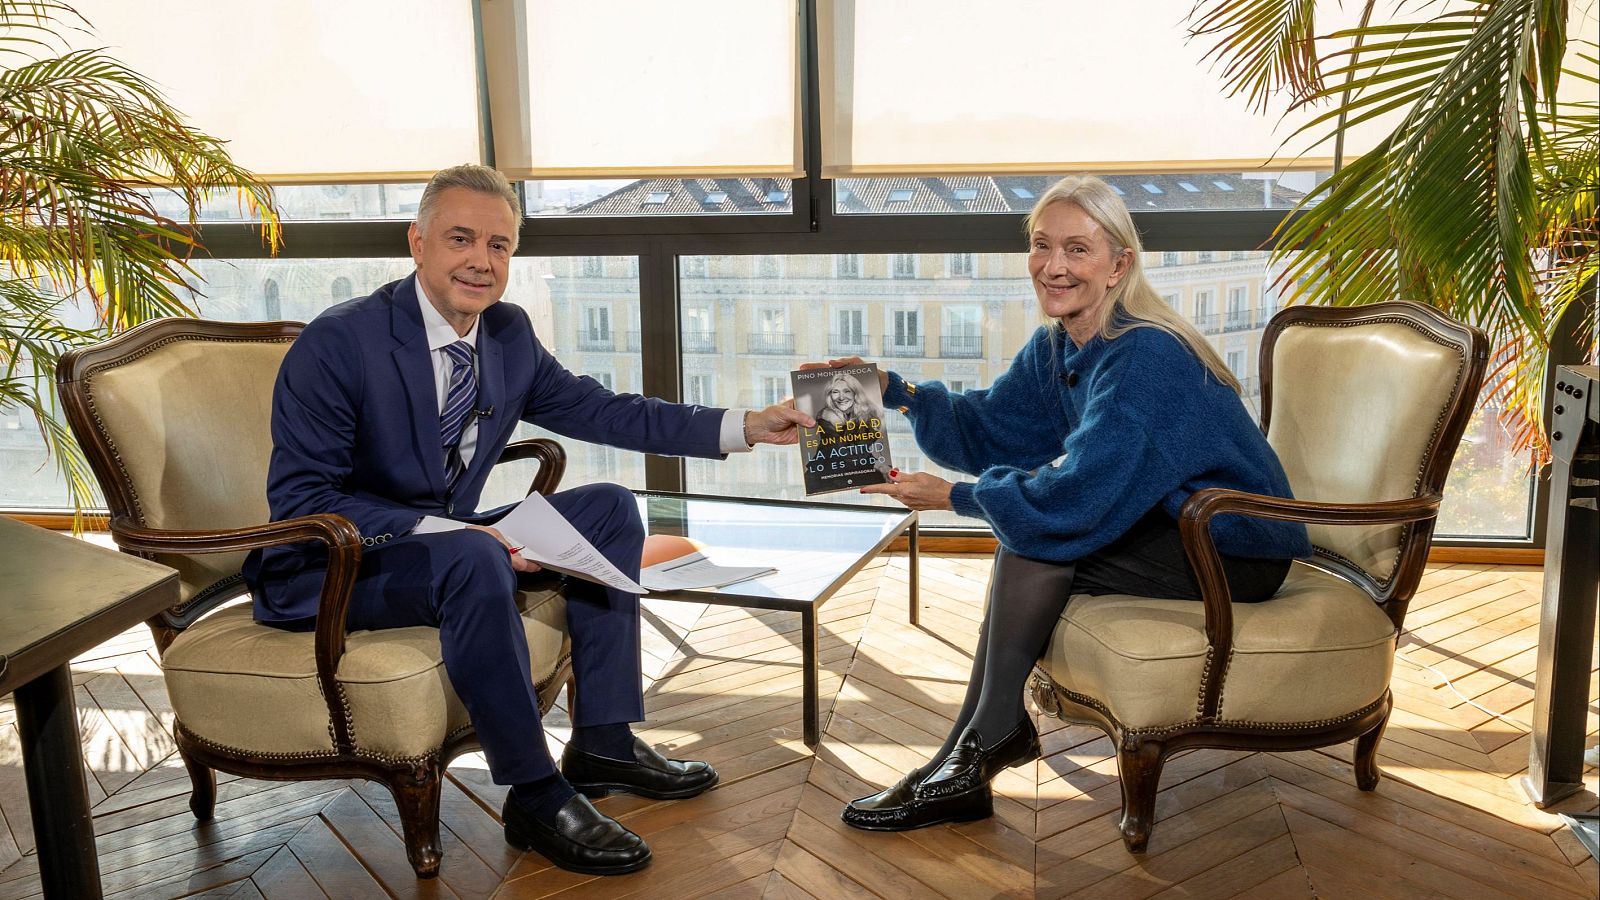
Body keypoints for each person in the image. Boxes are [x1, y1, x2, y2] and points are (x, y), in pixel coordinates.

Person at [241, 164, 812, 875]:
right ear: (416, 243)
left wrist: (746, 425)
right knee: (475, 555)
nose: (482, 260)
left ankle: (603, 738)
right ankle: (533, 790)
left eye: (500, 245)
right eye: (460, 239)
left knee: (606, 507)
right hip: (332, 566)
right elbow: (305, 502)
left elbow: (602, 409)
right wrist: (467, 534)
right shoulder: (342, 342)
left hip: (442, 546)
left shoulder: (505, 334)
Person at [809, 175, 1311, 831]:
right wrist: (896, 390)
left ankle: (977, 751)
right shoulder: (1062, 344)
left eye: (1077, 249)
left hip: (1233, 546)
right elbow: (992, 429)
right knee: (1029, 533)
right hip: (1169, 526)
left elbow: (1077, 498)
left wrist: (953, 497)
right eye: (1042, 246)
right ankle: (973, 750)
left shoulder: (1145, 355)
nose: (1053, 266)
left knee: (1035, 534)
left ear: (1118, 265)